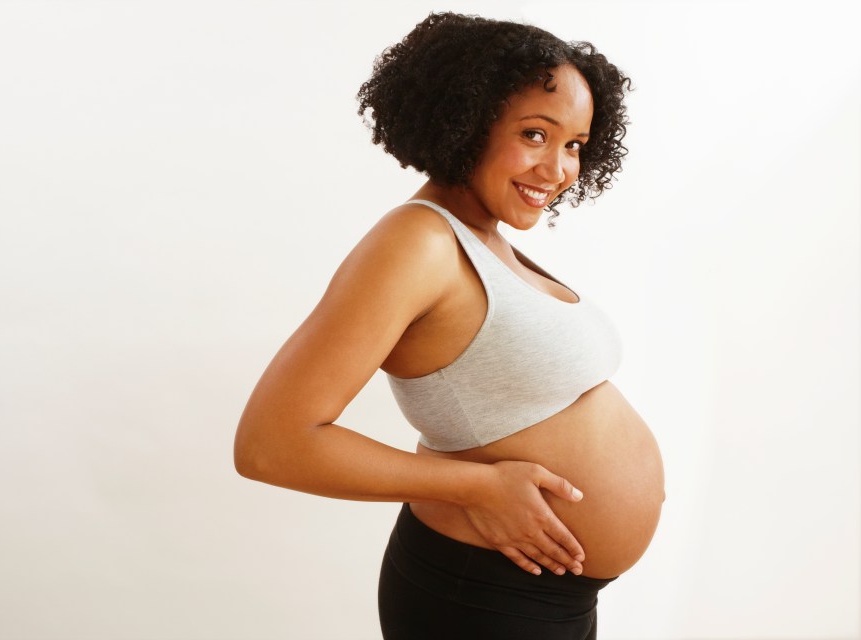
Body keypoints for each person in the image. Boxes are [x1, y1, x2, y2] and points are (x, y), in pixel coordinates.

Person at [234, 12, 664, 640]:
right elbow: (272, 443)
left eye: (574, 144)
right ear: (467, 119)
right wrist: (478, 487)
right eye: (536, 134)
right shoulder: (417, 242)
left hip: (540, 594)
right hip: (482, 597)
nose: (558, 168)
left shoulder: (485, 239)